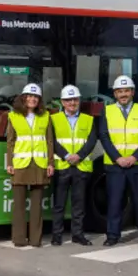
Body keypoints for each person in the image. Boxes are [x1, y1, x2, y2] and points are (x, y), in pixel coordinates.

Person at [98, 75, 138, 247]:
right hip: (115, 166)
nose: (123, 94)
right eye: (120, 91)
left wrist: (133, 157)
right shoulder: (107, 111)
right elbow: (104, 136)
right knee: (114, 203)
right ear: (115, 94)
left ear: (132, 92)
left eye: (126, 91)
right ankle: (112, 236)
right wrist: (118, 158)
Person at [5, 83, 55, 247]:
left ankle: (35, 239)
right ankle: (19, 239)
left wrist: (50, 163)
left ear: (39, 100)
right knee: (18, 205)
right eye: (29, 96)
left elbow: (49, 141)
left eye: (35, 97)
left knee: (36, 206)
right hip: (20, 164)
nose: (32, 99)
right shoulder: (13, 116)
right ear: (23, 98)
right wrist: (9, 163)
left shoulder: (45, 116)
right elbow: (10, 142)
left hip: (39, 164)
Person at [49, 85, 96, 246]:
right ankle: (57, 235)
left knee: (79, 204)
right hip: (62, 166)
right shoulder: (53, 119)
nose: (72, 103)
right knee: (59, 204)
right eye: (68, 100)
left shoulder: (88, 119)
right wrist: (67, 155)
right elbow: (52, 141)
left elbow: (91, 141)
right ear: (62, 102)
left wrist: (79, 156)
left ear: (79, 101)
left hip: (81, 167)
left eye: (75, 99)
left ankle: (78, 234)